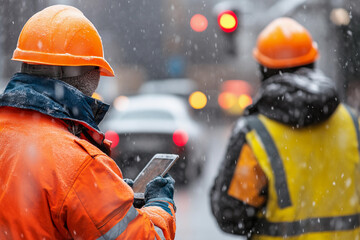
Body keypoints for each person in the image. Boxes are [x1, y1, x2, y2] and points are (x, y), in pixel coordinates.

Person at [0, 5, 176, 240]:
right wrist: (160, 208)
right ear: (82, 73)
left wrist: (110, 195)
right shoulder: (78, 166)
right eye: (95, 71)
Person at [210, 17, 360, 239]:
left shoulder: (254, 133)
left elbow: (231, 215)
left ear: (263, 69)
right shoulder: (352, 122)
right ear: (312, 62)